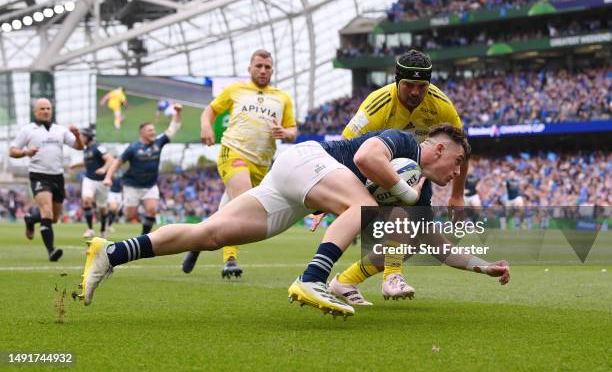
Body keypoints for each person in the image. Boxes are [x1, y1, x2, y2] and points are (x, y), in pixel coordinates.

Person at [78, 124, 510, 318]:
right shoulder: (403, 143)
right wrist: (404, 192)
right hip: (308, 159)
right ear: (437, 150)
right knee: (366, 212)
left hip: (295, 189)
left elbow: (433, 242)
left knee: (210, 234)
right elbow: (364, 157)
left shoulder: (421, 192)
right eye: (456, 162)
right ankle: (313, 277)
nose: (457, 173)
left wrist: (482, 267)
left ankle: (111, 252)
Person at [324, 49, 468, 303]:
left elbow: (461, 147)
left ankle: (349, 281)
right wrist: (331, 192)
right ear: (396, 82)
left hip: (416, 171)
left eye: (421, 86)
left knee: (415, 237)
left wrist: (457, 195)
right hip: (376, 171)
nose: (415, 92)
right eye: (408, 85)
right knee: (404, 231)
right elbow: (346, 146)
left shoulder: (442, 105)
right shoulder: (376, 105)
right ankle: (386, 277)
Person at [181, 49, 297, 278]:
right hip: (233, 153)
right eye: (259, 66)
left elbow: (293, 131)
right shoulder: (235, 90)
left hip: (262, 165)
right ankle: (230, 260)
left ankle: (197, 240)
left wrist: (285, 132)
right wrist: (206, 126)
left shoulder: (282, 97)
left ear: (272, 70)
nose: (263, 70)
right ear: (250, 69)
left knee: (229, 211)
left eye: (267, 67)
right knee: (244, 204)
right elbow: (210, 111)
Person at [9, 98, 84, 261]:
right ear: (35, 111)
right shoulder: (28, 130)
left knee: (54, 218)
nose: (45, 111)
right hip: (38, 175)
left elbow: (79, 147)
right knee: (47, 211)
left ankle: (30, 219)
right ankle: (51, 251)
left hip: (57, 176)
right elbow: (12, 151)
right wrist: (25, 153)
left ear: (52, 110)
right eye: (42, 108)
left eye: (48, 108)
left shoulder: (60, 130)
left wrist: (77, 135)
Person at [103, 104, 182, 236]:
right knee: (130, 216)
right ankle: (121, 208)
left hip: (150, 185)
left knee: (152, 209)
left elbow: (173, 128)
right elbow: (117, 162)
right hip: (132, 186)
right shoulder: (133, 148)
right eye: (150, 130)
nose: (154, 132)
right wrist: (108, 177)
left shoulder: (159, 142)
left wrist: (178, 113)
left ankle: (143, 238)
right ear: (142, 133)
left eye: (154, 130)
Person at [69, 128, 115, 239]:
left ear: (88, 137)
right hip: (89, 179)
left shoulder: (98, 147)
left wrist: (104, 169)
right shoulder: (86, 150)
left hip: (102, 182)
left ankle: (103, 231)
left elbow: (110, 159)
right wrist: (75, 165)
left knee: (102, 208)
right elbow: (87, 162)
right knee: (86, 199)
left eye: (82, 136)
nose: (80, 138)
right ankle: (90, 229)